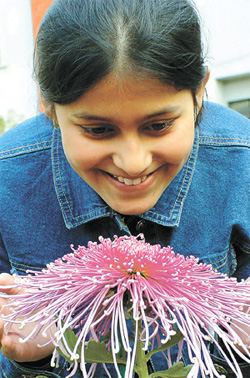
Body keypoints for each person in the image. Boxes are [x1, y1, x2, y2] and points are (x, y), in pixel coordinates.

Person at [0, 0, 249, 377]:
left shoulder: (241, 164)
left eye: (159, 125)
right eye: (98, 130)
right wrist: (29, 359)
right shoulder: (8, 180)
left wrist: (237, 351)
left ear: (199, 92)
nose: (133, 163)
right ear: (48, 107)